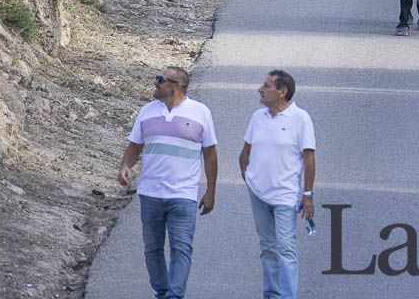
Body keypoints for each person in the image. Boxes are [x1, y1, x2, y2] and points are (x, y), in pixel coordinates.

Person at [118, 67, 217, 299]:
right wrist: (125, 166)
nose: (155, 83)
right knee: (152, 249)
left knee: (181, 248)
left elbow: (210, 154)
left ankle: (174, 295)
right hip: (150, 192)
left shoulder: (200, 112)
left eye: (160, 79)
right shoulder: (146, 111)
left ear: (175, 86)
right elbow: (135, 146)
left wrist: (210, 190)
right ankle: (162, 292)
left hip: (184, 195)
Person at [240, 70, 316, 299]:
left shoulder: (300, 118)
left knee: (285, 247)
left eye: (266, 86)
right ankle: (271, 294)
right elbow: (245, 152)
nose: (260, 90)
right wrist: (250, 177)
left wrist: (308, 194)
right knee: (267, 248)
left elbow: (309, 158)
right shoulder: (257, 117)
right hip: (258, 194)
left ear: (281, 92)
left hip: (285, 195)